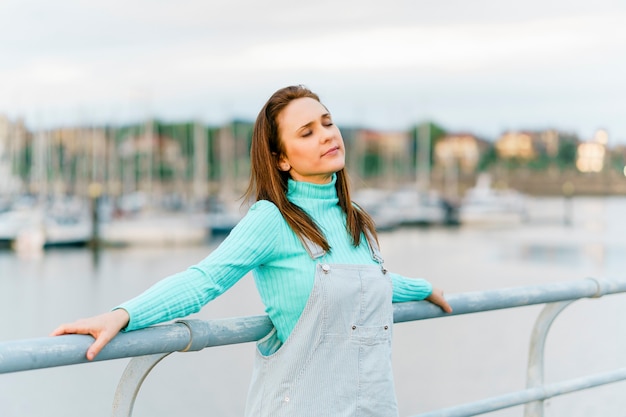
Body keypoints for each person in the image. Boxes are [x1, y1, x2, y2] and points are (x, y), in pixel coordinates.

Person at [52, 85, 452, 417]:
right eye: (307, 132)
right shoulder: (272, 220)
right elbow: (204, 280)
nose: (328, 135)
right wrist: (123, 315)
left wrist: (422, 288)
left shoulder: (356, 220)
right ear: (280, 159)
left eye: (328, 123)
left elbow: (368, 281)